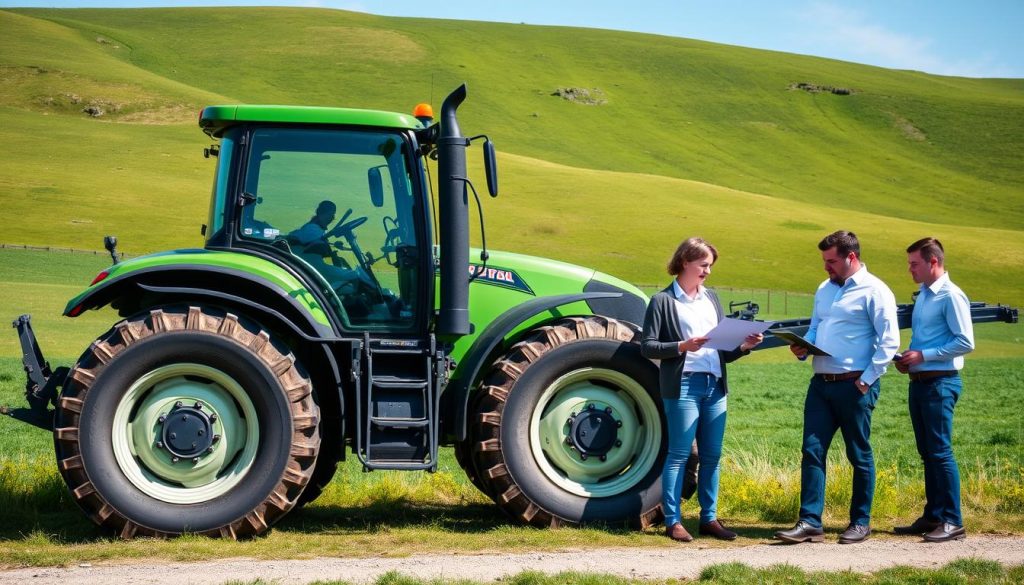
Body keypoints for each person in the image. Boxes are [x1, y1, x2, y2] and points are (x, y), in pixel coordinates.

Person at [775, 230, 898, 545]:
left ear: (851, 257)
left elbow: (889, 341)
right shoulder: (824, 289)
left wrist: (866, 380)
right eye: (824, 261)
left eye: (831, 261)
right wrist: (805, 346)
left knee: (859, 453)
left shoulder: (876, 291)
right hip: (820, 383)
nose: (826, 267)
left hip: (854, 385)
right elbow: (816, 326)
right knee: (811, 451)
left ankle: (860, 522)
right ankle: (810, 522)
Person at [641, 237, 763, 542]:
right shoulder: (663, 301)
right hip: (683, 384)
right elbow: (647, 347)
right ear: (685, 262)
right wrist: (683, 345)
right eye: (704, 264)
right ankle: (673, 521)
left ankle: (709, 519)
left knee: (712, 456)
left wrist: (744, 346)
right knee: (679, 454)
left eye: (710, 266)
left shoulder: (712, 299)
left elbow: (722, 349)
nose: (708, 271)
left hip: (714, 386)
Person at [892, 237, 974, 542]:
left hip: (941, 382)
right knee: (928, 452)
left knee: (940, 452)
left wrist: (923, 356)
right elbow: (927, 337)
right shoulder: (925, 295)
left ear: (933, 262)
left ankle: (953, 521)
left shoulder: (951, 296)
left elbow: (966, 342)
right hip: (921, 381)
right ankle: (934, 516)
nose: (910, 270)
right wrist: (908, 360)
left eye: (914, 264)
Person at [287, 200, 364, 288]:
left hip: (313, 267)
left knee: (347, 275)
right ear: (323, 213)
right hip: (313, 269)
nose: (332, 218)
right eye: (331, 214)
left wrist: (333, 245)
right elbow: (315, 243)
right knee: (354, 275)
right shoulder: (312, 229)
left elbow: (315, 243)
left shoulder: (316, 228)